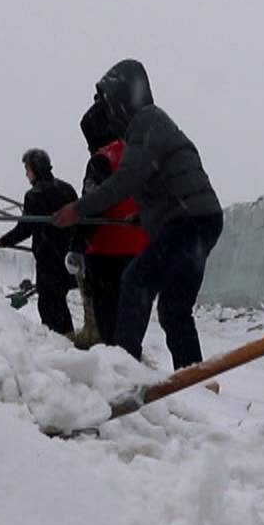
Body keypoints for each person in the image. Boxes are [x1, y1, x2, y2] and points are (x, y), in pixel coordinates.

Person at [53, 60, 223, 369]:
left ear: (121, 98)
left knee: (136, 280)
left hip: (188, 222)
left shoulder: (145, 122)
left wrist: (77, 209)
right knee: (174, 309)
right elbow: (162, 186)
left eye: (107, 103)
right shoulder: (152, 125)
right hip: (200, 220)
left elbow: (125, 181)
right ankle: (195, 379)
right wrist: (143, 217)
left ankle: (123, 369)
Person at [68, 100, 149, 347]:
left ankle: (115, 376)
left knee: (109, 328)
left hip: (107, 256)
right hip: (143, 253)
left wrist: (77, 245)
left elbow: (91, 206)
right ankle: (131, 368)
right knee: (131, 326)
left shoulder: (102, 160)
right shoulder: (142, 156)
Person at [0, 148, 79, 337]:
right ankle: (68, 337)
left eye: (27, 169)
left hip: (48, 258)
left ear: (36, 168)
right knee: (59, 302)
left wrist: (5, 241)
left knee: (49, 305)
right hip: (68, 257)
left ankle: (59, 344)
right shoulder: (66, 189)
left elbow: (25, 228)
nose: (26, 174)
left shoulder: (34, 195)